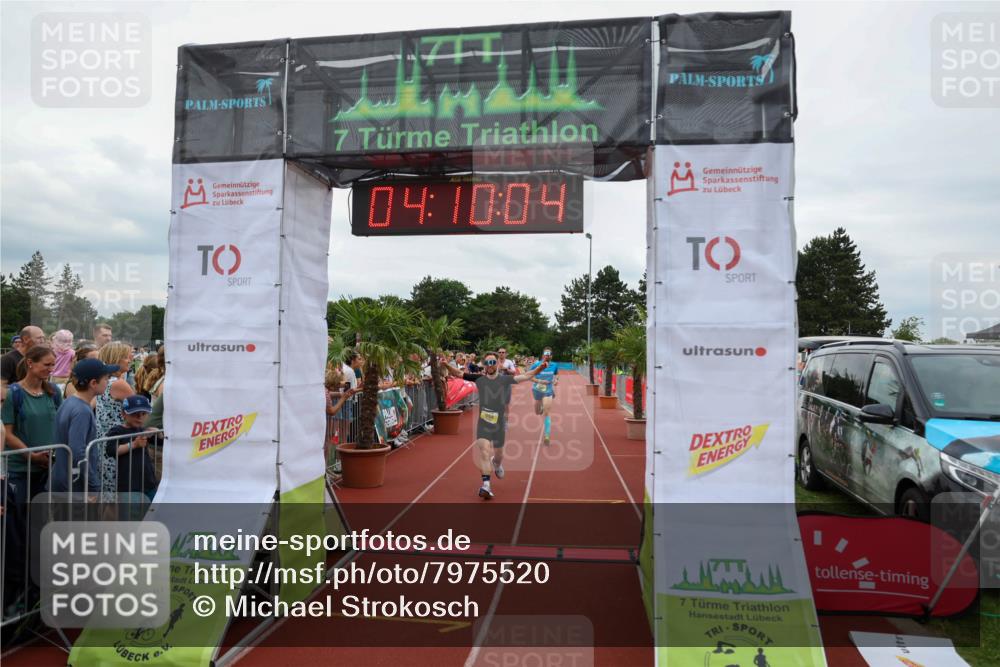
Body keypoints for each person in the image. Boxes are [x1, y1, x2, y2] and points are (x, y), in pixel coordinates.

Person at [1, 345, 62, 609]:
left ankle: (39, 587)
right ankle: (20, 591)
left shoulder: (53, 392)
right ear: (30, 363)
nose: (51, 369)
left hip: (47, 471)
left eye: (53, 364)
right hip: (21, 471)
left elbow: (58, 425)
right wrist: (31, 455)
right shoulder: (13, 394)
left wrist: (53, 455)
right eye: (46, 364)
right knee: (21, 533)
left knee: (43, 529)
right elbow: (8, 433)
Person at [441, 351, 547, 500]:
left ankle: (496, 464)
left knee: (498, 455)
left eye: (492, 362)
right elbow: (459, 373)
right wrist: (446, 364)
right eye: (487, 363)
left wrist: (540, 368)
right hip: (483, 423)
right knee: (484, 452)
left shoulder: (504, 379)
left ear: (497, 364)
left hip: (499, 423)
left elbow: (526, 376)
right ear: (484, 365)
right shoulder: (479, 379)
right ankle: (486, 485)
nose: (490, 365)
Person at [50, 358, 118, 494]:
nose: (108, 382)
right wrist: (93, 485)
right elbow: (77, 451)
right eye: (106, 378)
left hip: (64, 479)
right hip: (74, 485)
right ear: (93, 383)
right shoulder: (82, 411)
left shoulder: (69, 401)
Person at [104, 395, 159, 500]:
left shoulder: (142, 429)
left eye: (143, 414)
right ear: (123, 414)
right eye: (134, 414)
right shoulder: (117, 431)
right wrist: (134, 444)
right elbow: (111, 450)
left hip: (148, 482)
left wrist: (158, 433)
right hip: (129, 485)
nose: (140, 417)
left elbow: (160, 439)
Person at [529, 348, 559, 446]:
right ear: (542, 355)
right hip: (537, 389)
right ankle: (540, 407)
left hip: (548, 390)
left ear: (551, 356)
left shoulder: (554, 365)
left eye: (549, 354)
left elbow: (556, 374)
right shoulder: (536, 365)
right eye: (545, 354)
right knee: (538, 412)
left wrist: (556, 380)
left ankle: (547, 435)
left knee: (546, 412)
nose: (547, 356)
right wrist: (540, 381)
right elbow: (529, 376)